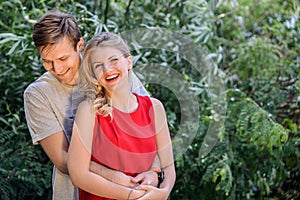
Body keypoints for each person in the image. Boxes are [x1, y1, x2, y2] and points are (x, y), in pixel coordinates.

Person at [23, 10, 161, 200]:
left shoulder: (111, 71)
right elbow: (63, 159)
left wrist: (155, 172)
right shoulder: (38, 94)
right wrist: (115, 178)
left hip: (139, 189)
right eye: (47, 62)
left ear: (79, 45)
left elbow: (150, 126)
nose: (58, 69)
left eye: (63, 59)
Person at [68, 32, 176, 200]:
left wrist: (162, 192)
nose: (107, 69)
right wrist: (133, 195)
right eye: (98, 66)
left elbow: (168, 165)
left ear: (129, 62)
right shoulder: (89, 111)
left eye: (114, 60)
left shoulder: (154, 108)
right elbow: (78, 175)